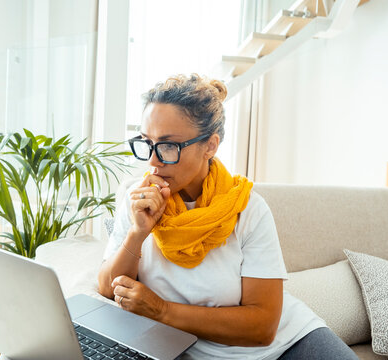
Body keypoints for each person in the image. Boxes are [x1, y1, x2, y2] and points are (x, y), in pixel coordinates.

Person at [97, 74, 358, 360]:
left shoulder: (247, 209)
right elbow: (108, 289)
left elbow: (263, 327)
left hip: (289, 346)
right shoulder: (139, 200)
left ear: (210, 145)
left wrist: (162, 310)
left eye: (169, 146)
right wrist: (137, 233)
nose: (153, 161)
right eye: (147, 143)